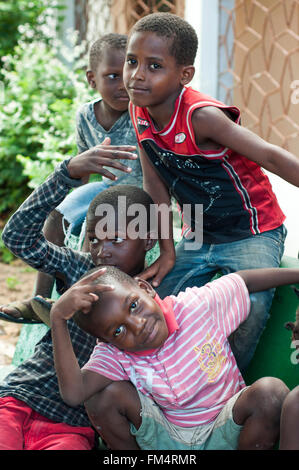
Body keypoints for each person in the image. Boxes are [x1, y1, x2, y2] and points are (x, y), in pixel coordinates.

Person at [122, 12, 299, 371]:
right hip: (200, 231)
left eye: (154, 66)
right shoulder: (138, 108)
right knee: (155, 300)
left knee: (249, 309)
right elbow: (154, 185)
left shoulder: (201, 116)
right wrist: (168, 253)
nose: (138, 75)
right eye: (132, 61)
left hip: (253, 230)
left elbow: (268, 155)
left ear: (183, 75)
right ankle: (165, 383)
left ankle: (225, 397)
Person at [0, 148, 155, 450]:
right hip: (20, 397)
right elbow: (16, 238)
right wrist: (66, 173)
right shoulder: (81, 269)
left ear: (148, 240)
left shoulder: (150, 301)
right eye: (95, 239)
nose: (102, 250)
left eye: (116, 239)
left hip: (71, 426)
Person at [50, 264, 299, 450]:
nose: (137, 325)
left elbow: (243, 281)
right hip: (169, 441)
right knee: (102, 399)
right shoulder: (116, 354)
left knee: (271, 393)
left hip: (227, 427)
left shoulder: (196, 307)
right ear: (106, 341)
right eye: (118, 330)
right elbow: (74, 393)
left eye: (134, 306)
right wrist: (58, 319)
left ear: (145, 288)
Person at [0, 33, 143, 319]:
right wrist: (73, 206)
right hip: (102, 187)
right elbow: (81, 173)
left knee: (102, 229)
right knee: (56, 215)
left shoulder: (141, 113)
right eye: (111, 76)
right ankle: (40, 299)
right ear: (92, 79)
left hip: (140, 190)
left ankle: (86, 300)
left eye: (126, 74)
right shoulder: (85, 116)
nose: (122, 85)